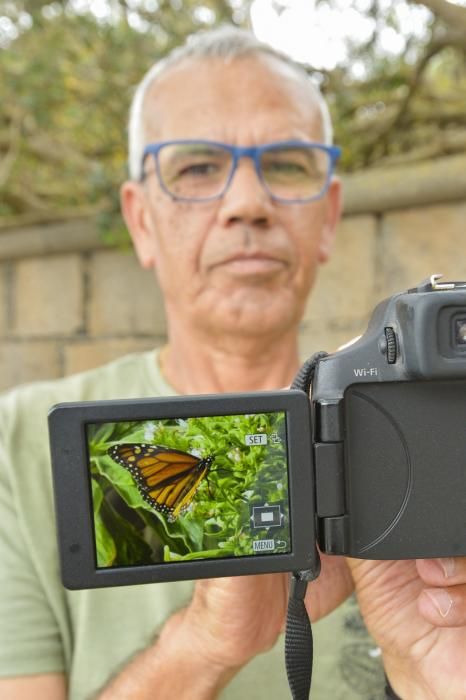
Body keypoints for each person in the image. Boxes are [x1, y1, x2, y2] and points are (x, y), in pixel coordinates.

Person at [1, 25, 465, 700]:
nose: (247, 204)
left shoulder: (439, 420)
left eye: (286, 165)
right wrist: (203, 645)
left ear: (329, 214)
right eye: (196, 168)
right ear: (140, 220)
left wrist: (433, 677)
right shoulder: (15, 448)